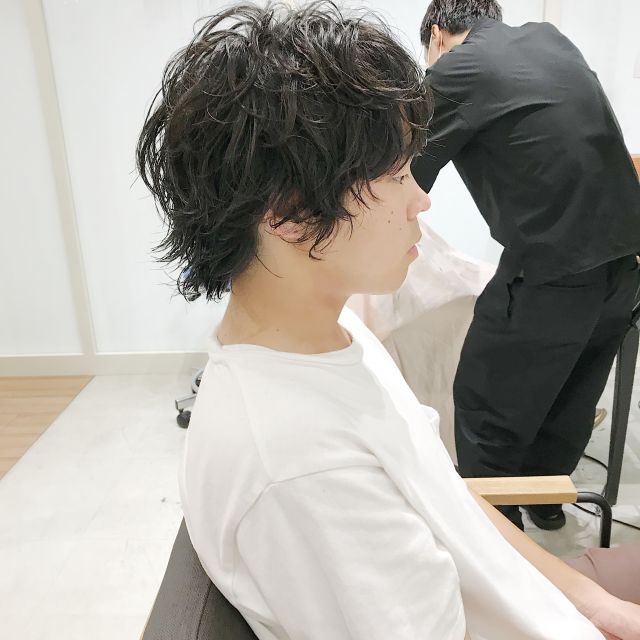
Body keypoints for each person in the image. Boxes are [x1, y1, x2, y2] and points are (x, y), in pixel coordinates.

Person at [136, 2, 640, 638]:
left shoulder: (340, 340)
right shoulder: (305, 470)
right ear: (290, 214)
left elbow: (450, 500)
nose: (421, 199)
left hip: (538, 598)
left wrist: (595, 606)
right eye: (398, 174)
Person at [412, 0, 640, 531]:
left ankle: (499, 537)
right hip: (624, 268)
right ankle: (547, 503)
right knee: (569, 394)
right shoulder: (551, 40)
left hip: (552, 274)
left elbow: (400, 172)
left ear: (438, 35)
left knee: (485, 410)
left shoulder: (458, 67)